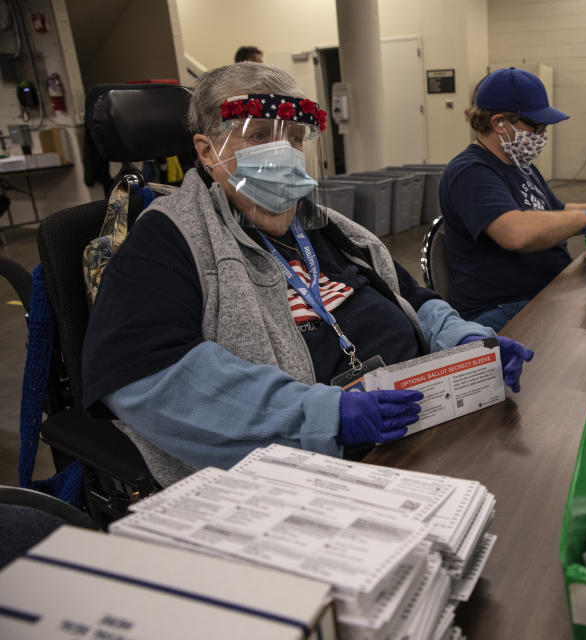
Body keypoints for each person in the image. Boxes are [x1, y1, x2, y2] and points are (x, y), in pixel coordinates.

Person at [82, 62, 533, 486]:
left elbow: (411, 297)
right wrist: (327, 416)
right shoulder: (171, 237)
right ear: (207, 152)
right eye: (258, 135)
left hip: (423, 420)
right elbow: (144, 377)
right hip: (316, 470)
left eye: (294, 137)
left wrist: (465, 341)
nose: (282, 153)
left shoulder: (327, 228)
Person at [439, 67, 586, 331]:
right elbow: (516, 232)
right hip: (502, 308)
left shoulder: (520, 165)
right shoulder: (471, 172)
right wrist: (585, 219)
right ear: (499, 123)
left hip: (543, 289)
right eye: (536, 126)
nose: (542, 135)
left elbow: (557, 210)